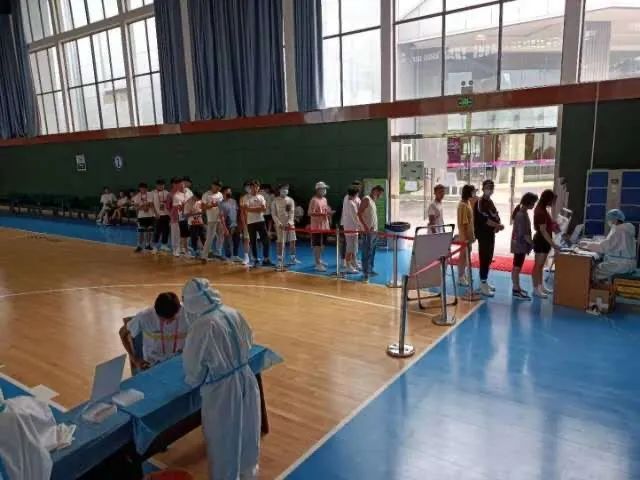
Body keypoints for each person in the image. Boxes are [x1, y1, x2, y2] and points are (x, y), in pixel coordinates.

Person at [182, 278, 260, 480]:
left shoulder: (201, 327)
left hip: (221, 391)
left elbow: (193, 371)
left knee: (224, 440)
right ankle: (249, 474)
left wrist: (197, 379)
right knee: (248, 431)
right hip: (246, 377)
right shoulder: (232, 312)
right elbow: (249, 340)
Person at [119, 292, 188, 370]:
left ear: (178, 310)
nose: (167, 323)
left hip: (180, 363)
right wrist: (135, 360)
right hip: (152, 365)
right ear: (156, 312)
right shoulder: (145, 317)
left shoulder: (188, 315)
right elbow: (122, 333)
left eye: (172, 319)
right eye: (163, 319)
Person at [580, 209, 638, 282]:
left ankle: (594, 288)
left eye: (610, 219)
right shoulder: (626, 229)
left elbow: (604, 247)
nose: (609, 221)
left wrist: (586, 245)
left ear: (615, 220)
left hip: (621, 264)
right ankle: (604, 286)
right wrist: (590, 244)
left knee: (595, 270)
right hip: (628, 263)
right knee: (598, 266)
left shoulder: (619, 231)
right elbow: (611, 243)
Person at [474, 179, 505, 297]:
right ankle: (482, 284)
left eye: (491, 188)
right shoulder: (480, 202)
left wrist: (498, 225)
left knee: (489, 257)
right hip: (483, 234)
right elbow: (485, 219)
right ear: (483, 189)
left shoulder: (490, 202)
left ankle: (484, 281)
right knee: (484, 257)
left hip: (490, 233)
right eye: (487, 187)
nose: (489, 190)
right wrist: (497, 225)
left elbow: (495, 214)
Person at [532, 189, 560, 298]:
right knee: (538, 266)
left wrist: (554, 225)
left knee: (541, 266)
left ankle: (540, 286)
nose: (553, 203)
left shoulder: (543, 209)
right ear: (548, 199)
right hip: (541, 241)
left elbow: (548, 224)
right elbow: (543, 231)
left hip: (544, 240)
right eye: (552, 200)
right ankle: (535, 289)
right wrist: (553, 245)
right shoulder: (540, 211)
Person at [511, 192, 538, 300]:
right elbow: (524, 234)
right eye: (533, 203)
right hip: (519, 245)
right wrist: (533, 244)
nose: (534, 205)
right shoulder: (521, 215)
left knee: (517, 266)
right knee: (517, 267)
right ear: (528, 202)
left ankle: (517, 287)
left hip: (520, 244)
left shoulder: (523, 213)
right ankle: (515, 289)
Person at [358, 185, 384, 283]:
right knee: (366, 253)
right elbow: (359, 214)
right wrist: (365, 227)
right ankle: (365, 274)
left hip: (374, 232)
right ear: (375, 191)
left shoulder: (373, 201)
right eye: (379, 194)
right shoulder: (366, 199)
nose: (379, 196)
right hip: (367, 232)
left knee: (372, 252)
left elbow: (372, 217)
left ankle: (370, 270)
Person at [245, 180, 273, 267]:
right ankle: (255, 260)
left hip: (261, 221)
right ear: (250, 188)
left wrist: (253, 209)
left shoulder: (261, 197)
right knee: (253, 242)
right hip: (251, 222)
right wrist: (258, 208)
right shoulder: (246, 197)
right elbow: (247, 209)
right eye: (253, 186)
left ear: (258, 187)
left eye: (256, 186)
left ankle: (266, 259)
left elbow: (264, 209)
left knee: (266, 240)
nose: (254, 188)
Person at [308, 181, 333, 272]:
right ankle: (317, 263)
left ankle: (319, 259)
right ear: (318, 190)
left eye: (325, 189)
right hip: (316, 226)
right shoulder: (314, 200)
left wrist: (329, 214)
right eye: (323, 189)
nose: (325, 190)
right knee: (317, 245)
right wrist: (322, 214)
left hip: (325, 225)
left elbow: (325, 210)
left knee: (323, 244)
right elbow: (310, 213)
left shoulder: (325, 199)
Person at [271, 184, 299, 266]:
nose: (285, 190)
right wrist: (278, 223)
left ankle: (293, 258)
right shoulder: (275, 201)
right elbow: (273, 214)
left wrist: (289, 222)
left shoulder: (290, 200)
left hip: (290, 225)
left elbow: (291, 212)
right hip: (280, 225)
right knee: (280, 242)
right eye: (283, 189)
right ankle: (280, 260)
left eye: (286, 189)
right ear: (279, 190)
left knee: (292, 241)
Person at [456, 185, 476, 286]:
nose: (474, 193)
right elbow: (464, 223)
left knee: (466, 256)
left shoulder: (467, 203)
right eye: (473, 192)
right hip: (465, 237)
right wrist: (466, 238)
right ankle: (460, 276)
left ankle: (464, 274)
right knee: (463, 256)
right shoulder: (463, 205)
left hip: (469, 235)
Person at [339, 181, 362, 270]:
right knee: (349, 247)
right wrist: (361, 226)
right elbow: (354, 216)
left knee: (354, 246)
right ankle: (348, 265)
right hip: (349, 227)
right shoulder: (349, 201)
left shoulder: (354, 199)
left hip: (354, 228)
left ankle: (353, 262)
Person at [202, 180, 224, 261]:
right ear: (212, 185)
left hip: (219, 219)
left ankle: (218, 253)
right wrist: (212, 205)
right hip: (211, 219)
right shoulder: (206, 195)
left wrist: (222, 215)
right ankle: (204, 256)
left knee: (221, 236)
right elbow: (203, 207)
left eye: (219, 187)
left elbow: (221, 206)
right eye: (216, 186)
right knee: (210, 237)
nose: (218, 188)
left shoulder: (220, 194)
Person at [132, 182, 156, 253]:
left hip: (150, 216)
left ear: (147, 188)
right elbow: (136, 207)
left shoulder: (150, 194)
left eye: (145, 188)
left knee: (150, 231)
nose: (143, 189)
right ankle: (139, 246)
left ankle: (148, 244)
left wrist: (145, 206)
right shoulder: (137, 196)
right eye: (142, 188)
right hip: (141, 217)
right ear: (140, 189)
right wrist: (142, 207)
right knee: (141, 232)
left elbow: (151, 204)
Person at [220, 186, 242, 262]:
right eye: (228, 191)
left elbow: (237, 212)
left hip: (235, 223)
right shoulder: (221, 203)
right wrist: (225, 228)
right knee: (227, 240)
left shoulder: (234, 201)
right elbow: (222, 217)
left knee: (237, 240)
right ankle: (228, 256)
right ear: (223, 193)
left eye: (230, 191)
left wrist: (239, 223)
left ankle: (235, 255)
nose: (230, 193)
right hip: (227, 223)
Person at [169, 177, 187, 257]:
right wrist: (171, 217)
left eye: (182, 183)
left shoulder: (186, 193)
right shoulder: (174, 195)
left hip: (184, 217)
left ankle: (181, 249)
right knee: (175, 234)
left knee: (182, 234)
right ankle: (175, 250)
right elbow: (173, 208)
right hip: (175, 217)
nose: (181, 185)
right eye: (179, 184)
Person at [185, 191, 206, 258]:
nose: (198, 200)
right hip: (192, 223)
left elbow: (203, 211)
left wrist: (203, 212)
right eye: (198, 198)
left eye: (199, 199)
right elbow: (186, 215)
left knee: (203, 236)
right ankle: (195, 251)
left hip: (200, 222)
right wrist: (196, 213)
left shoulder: (200, 201)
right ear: (194, 196)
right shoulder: (188, 203)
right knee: (194, 237)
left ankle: (206, 250)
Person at [152, 179, 171, 253]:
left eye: (162, 185)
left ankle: (164, 245)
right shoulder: (153, 193)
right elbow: (152, 204)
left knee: (166, 231)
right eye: (159, 185)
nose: (161, 186)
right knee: (157, 231)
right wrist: (156, 213)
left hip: (166, 215)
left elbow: (169, 204)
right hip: (157, 215)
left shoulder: (167, 193)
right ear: (156, 185)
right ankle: (155, 246)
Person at [239, 181, 253, 266]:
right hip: (247, 222)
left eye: (249, 186)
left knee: (254, 240)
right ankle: (246, 257)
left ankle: (254, 256)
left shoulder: (258, 196)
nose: (248, 188)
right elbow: (242, 212)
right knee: (246, 239)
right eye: (246, 186)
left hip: (256, 221)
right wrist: (243, 223)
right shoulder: (243, 198)